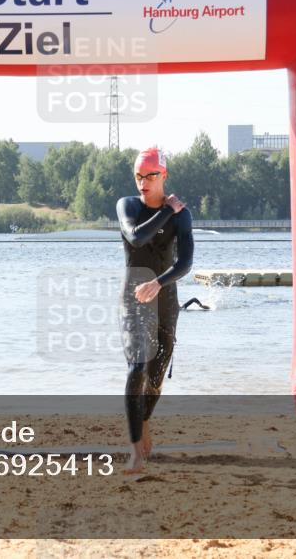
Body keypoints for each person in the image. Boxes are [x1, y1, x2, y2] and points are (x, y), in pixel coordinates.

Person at [116, 147, 194, 474]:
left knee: (158, 373)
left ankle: (145, 419)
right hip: (134, 297)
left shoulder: (183, 216)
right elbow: (137, 237)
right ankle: (135, 451)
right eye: (138, 175)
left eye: (150, 175)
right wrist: (167, 210)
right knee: (138, 368)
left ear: (163, 176)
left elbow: (186, 262)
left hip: (165, 298)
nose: (143, 182)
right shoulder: (128, 206)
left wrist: (159, 283)